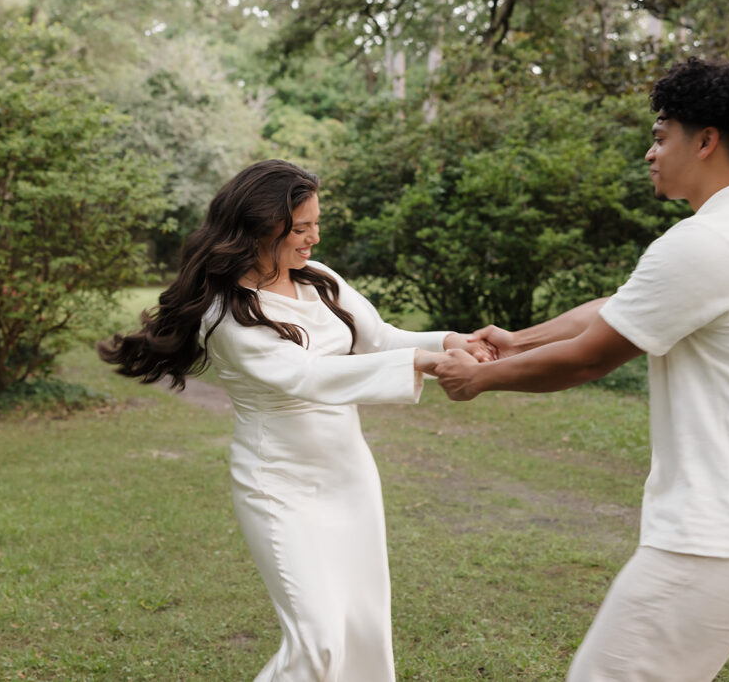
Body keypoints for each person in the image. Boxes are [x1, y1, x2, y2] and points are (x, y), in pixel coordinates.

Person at [428, 58, 729, 681]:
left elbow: (593, 353)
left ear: (704, 142)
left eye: (660, 135)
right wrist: (515, 344)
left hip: (727, 530)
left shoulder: (710, 242)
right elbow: (613, 311)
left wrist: (480, 377)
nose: (650, 153)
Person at [98, 159, 489, 682]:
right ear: (259, 229)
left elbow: (379, 337)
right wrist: (420, 365)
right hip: (279, 485)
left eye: (316, 224)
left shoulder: (321, 281)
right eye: (300, 228)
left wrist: (446, 342)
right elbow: (306, 376)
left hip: (348, 475)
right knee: (318, 642)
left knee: (363, 629)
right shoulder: (227, 314)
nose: (313, 239)